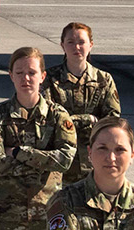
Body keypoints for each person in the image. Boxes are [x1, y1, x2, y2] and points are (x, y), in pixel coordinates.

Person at [0, 47, 78, 229]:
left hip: (48, 213)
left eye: (32, 73)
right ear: (11, 75)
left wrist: (19, 153)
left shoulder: (58, 116)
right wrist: (44, 161)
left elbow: (65, 160)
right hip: (6, 215)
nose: (26, 78)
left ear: (42, 76)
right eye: (19, 72)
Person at [42, 117, 134, 230]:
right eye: (102, 148)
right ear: (89, 152)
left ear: (132, 155)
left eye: (120, 149)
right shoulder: (66, 201)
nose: (111, 158)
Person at [43, 22, 123, 185]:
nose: (76, 47)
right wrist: (90, 120)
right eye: (70, 42)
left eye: (81, 42)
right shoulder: (50, 79)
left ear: (90, 45)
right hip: (60, 161)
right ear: (62, 45)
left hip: (94, 162)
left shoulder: (103, 80)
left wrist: (69, 120)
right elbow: (47, 118)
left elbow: (112, 121)